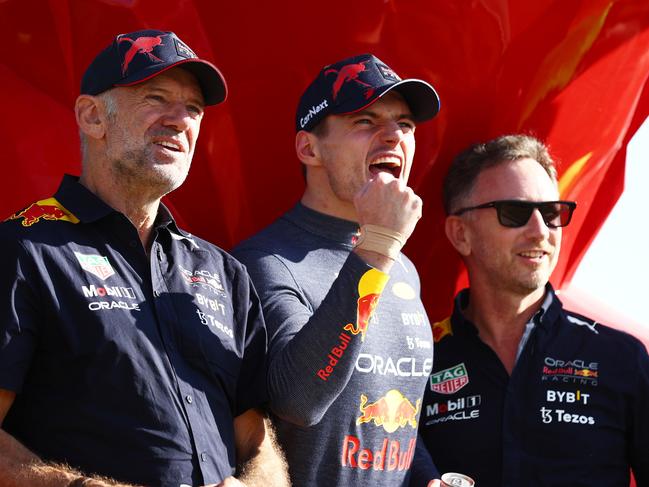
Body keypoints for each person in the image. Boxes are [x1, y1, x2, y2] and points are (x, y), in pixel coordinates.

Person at [0, 29, 288, 487]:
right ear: (92, 117)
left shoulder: (223, 271)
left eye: (194, 108)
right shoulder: (22, 250)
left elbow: (255, 441)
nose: (181, 121)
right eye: (157, 98)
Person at [233, 53, 441, 486]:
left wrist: (425, 478)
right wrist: (379, 246)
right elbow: (300, 402)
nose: (392, 137)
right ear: (309, 148)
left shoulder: (401, 265)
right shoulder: (264, 262)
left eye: (404, 124)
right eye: (366, 121)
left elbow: (393, 411)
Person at [413, 134, 649, 486]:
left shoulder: (621, 358)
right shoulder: (417, 362)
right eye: (515, 213)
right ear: (460, 233)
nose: (541, 231)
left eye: (552, 213)